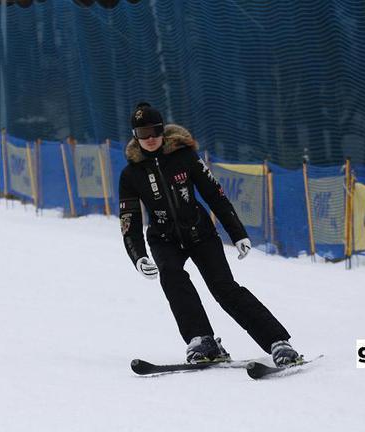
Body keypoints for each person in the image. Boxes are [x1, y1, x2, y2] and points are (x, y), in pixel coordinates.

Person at [118, 102, 300, 366]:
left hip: (200, 233)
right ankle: (201, 340)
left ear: (162, 131)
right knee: (172, 279)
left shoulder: (185, 157)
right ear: (135, 137)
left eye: (154, 132)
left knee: (224, 289)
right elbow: (129, 220)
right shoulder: (131, 174)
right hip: (163, 238)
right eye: (142, 134)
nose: (149, 139)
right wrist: (137, 256)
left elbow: (215, 194)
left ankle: (278, 342)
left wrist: (237, 233)